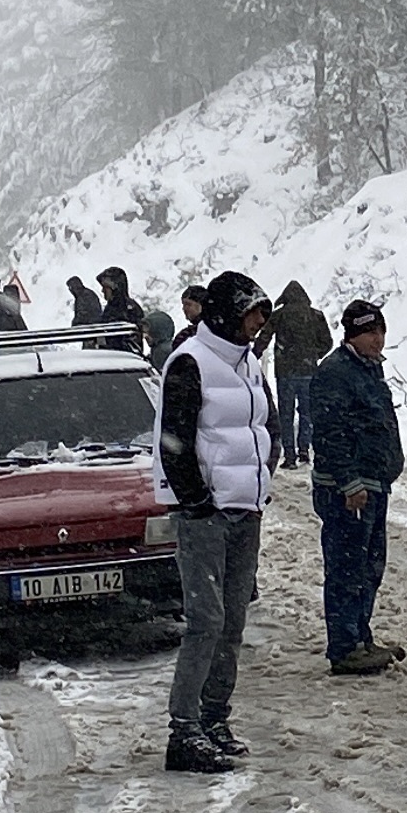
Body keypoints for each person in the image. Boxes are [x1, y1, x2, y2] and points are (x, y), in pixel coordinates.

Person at [154, 271, 277, 774]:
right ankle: (183, 731)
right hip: (205, 516)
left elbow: (263, 424)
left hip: (245, 511)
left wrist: (265, 472)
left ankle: (213, 719)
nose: (257, 325)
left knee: (232, 624)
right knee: (206, 623)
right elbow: (173, 442)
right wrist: (197, 501)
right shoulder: (189, 362)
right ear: (226, 313)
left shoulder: (248, 364)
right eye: (251, 315)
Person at [305, 298, 404, 674]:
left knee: (368, 566)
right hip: (347, 489)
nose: (377, 339)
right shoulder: (335, 372)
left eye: (380, 331)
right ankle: (345, 647)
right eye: (369, 332)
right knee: (348, 568)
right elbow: (329, 433)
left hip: (373, 483)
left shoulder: (368, 369)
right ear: (353, 335)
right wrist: (349, 482)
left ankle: (361, 637)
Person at [269, 281, 329, 467]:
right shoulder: (316, 316)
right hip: (309, 371)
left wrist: (251, 356)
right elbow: (327, 342)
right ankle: (304, 450)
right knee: (307, 413)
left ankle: (289, 456)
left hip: (285, 372)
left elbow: (264, 336)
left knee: (285, 415)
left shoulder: (279, 315)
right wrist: (314, 355)